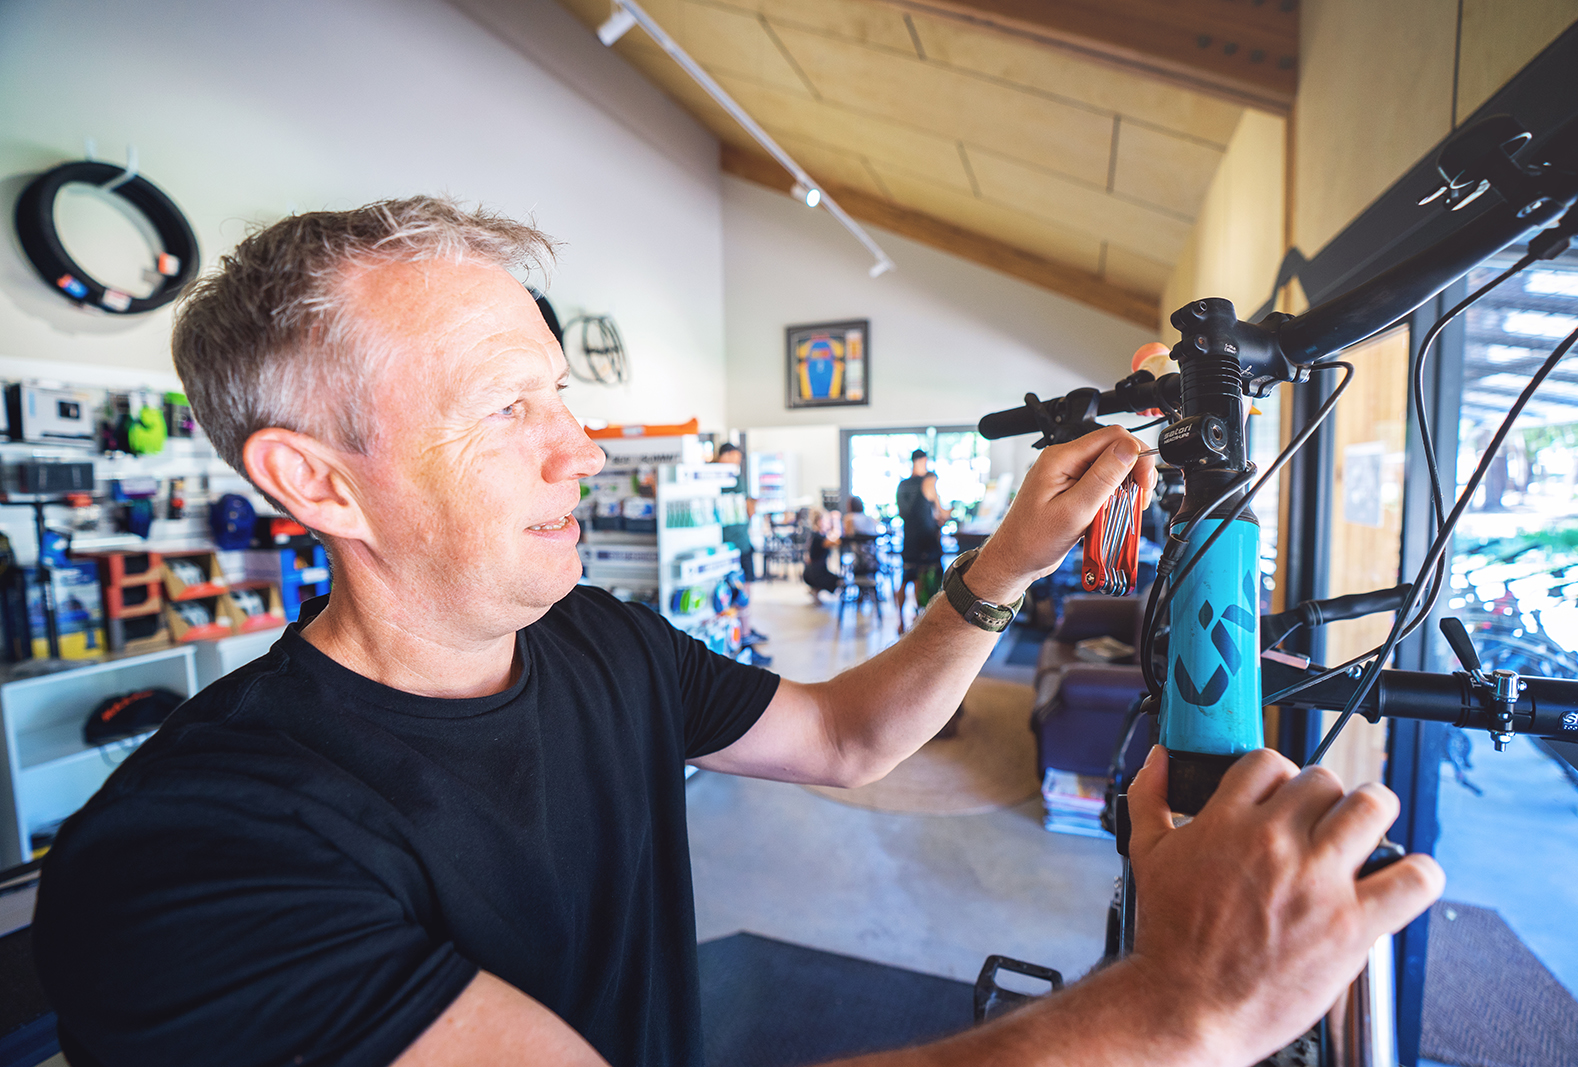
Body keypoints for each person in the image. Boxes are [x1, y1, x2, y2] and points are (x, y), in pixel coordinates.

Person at [32, 198, 1443, 1067]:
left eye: (561, 395)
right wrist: (1176, 1008)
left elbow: (847, 735)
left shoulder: (601, 642)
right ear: (317, 480)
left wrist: (1007, 559)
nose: (581, 451)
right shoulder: (194, 859)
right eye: (507, 406)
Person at [716, 441, 769, 665]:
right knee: (736, 595)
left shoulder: (736, 478)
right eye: (735, 457)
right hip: (729, 545)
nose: (736, 463)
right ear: (726, 455)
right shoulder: (722, 478)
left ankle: (744, 634)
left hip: (739, 543)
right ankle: (743, 640)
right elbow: (747, 510)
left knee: (742, 593)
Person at [895, 450, 949, 635]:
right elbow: (940, 511)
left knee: (905, 579)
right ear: (923, 460)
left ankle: (900, 621)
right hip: (926, 540)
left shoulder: (902, 485)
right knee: (924, 577)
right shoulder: (928, 481)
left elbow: (902, 512)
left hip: (908, 539)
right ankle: (920, 618)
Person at [801, 508, 840, 604]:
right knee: (838, 581)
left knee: (836, 579)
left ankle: (815, 590)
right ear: (820, 521)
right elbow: (836, 540)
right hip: (816, 573)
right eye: (827, 520)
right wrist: (836, 522)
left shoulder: (815, 535)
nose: (828, 523)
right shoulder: (818, 537)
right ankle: (816, 588)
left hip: (812, 571)